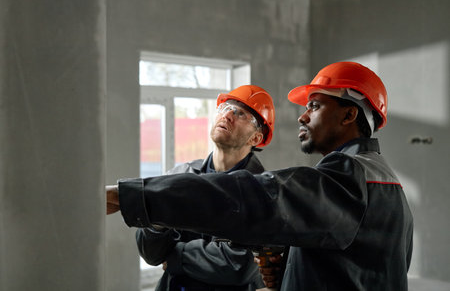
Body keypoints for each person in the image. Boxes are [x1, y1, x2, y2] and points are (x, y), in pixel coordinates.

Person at [107, 61, 414, 291]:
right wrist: (288, 272)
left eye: (315, 105)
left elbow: (252, 200)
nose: (302, 116)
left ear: (349, 115)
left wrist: (138, 196)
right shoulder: (376, 177)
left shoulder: (349, 177)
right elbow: (357, 270)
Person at [134, 85, 276, 291]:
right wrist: (157, 224)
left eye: (240, 114)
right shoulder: (179, 176)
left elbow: (239, 266)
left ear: (256, 138)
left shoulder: (263, 192)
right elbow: (151, 253)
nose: (227, 115)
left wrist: (176, 256)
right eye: (225, 108)